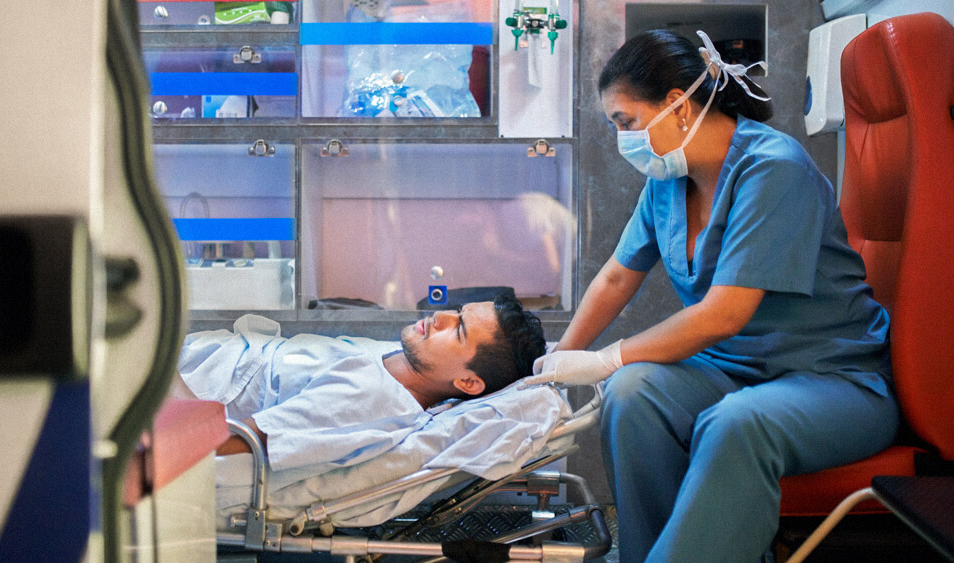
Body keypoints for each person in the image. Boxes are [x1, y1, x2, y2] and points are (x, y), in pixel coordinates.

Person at [519, 30, 899, 562]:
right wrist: (555, 365)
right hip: (731, 370)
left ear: (675, 105)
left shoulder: (773, 168)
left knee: (737, 422)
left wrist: (604, 359)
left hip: (835, 379)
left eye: (625, 123)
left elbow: (724, 314)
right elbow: (616, 277)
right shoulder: (668, 179)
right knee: (631, 395)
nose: (623, 139)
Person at [172, 295, 546, 473]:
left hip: (171, 383)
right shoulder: (398, 362)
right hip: (197, 356)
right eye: (458, 312)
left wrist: (148, 364)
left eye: (459, 329)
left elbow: (220, 444)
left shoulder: (366, 401)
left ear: (467, 381)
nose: (441, 316)